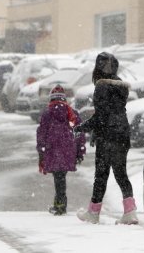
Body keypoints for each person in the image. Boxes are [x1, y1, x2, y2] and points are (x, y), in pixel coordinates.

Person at [74, 52, 138, 225]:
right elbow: (113, 112)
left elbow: (101, 116)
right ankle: (130, 212)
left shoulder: (102, 86)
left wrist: (81, 128)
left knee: (101, 176)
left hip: (108, 136)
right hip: (122, 133)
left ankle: (93, 213)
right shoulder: (122, 87)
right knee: (121, 173)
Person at [36, 84, 86, 215]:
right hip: (68, 150)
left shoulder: (47, 114)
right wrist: (80, 151)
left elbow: (41, 134)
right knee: (61, 176)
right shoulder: (72, 114)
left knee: (58, 177)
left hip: (52, 150)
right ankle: (60, 203)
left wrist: (41, 151)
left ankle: (60, 205)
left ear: (51, 99)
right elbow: (79, 133)